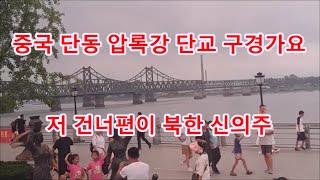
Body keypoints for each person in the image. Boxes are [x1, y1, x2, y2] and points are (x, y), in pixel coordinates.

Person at [259, 105, 275, 174]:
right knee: (265, 155)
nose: (262, 111)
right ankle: (268, 168)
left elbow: (272, 131)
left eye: (263, 109)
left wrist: (264, 133)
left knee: (268, 154)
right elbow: (258, 132)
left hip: (268, 141)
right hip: (262, 141)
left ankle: (271, 169)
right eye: (261, 109)